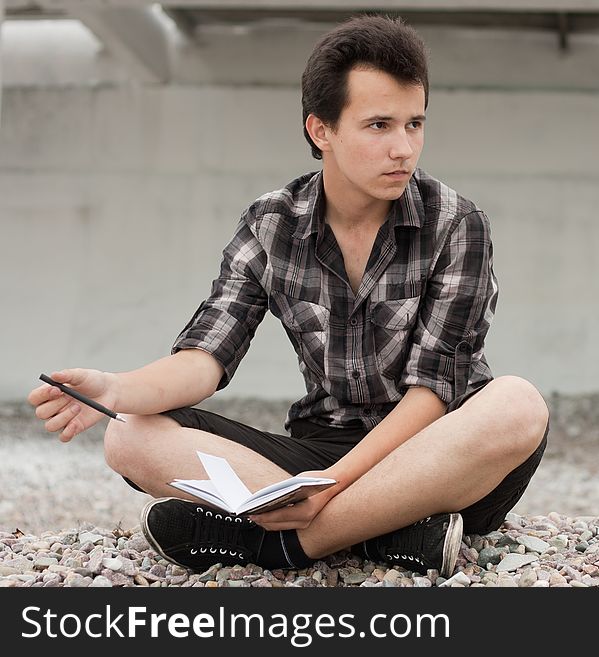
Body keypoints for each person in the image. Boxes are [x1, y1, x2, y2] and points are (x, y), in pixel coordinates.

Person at [27, 14, 549, 579]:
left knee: (517, 404)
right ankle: (382, 534)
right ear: (320, 130)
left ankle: (280, 545)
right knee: (130, 432)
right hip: (320, 448)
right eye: (379, 126)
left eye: (414, 123)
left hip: (439, 453)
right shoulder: (271, 223)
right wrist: (115, 387)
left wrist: (332, 490)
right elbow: (205, 358)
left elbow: (432, 396)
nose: (404, 148)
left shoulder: (456, 223)